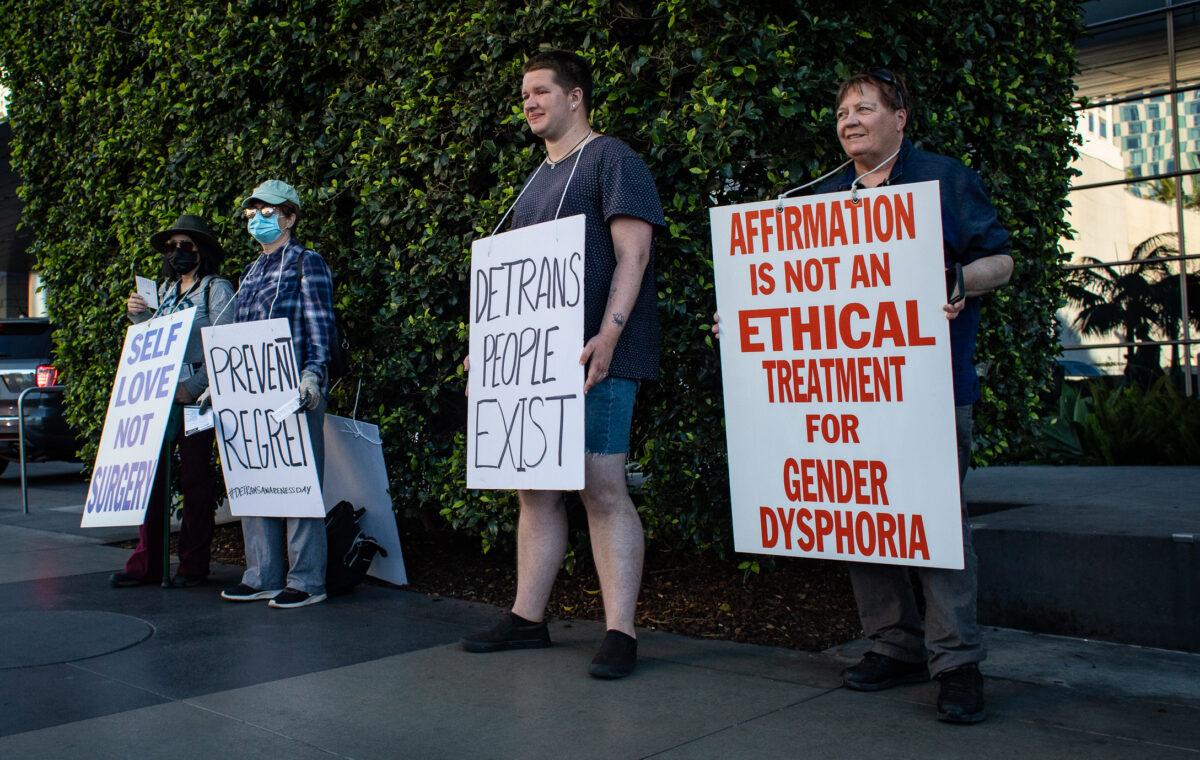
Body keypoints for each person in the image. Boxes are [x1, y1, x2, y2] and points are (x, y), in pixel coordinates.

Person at [713, 69, 1012, 723]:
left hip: (929, 386)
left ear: (900, 118)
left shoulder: (943, 178)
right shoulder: (818, 195)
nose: (849, 119)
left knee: (935, 520)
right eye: (842, 110)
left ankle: (957, 662)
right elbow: (787, 289)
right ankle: (894, 644)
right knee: (858, 508)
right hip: (847, 389)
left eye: (864, 108)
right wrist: (743, 316)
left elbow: (1003, 260)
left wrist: (959, 279)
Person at [460, 50, 665, 679]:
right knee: (535, 487)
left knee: (602, 486)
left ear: (576, 96)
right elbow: (517, 281)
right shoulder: (532, 183)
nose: (529, 102)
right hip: (535, 364)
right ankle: (528, 617)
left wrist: (610, 334)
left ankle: (621, 631)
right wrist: (491, 348)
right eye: (524, 93)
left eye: (542, 90)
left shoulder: (613, 158)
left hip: (597, 356)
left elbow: (634, 254)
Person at [218, 179, 336, 609]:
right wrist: (223, 385)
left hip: (294, 392)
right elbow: (235, 338)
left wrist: (313, 377)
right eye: (253, 213)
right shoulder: (249, 272)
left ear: (289, 216)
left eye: (268, 212)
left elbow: (320, 327)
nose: (258, 219)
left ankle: (306, 580)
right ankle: (262, 574)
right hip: (252, 395)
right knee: (255, 478)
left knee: (298, 484)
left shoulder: (308, 263)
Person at [110, 214, 234, 588]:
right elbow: (152, 344)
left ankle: (193, 565)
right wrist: (140, 318)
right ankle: (147, 563)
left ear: (202, 250)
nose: (177, 252)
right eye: (171, 247)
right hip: (158, 397)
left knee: (195, 479)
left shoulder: (216, 289)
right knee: (152, 479)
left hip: (195, 400)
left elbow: (224, 347)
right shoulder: (162, 291)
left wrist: (194, 386)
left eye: (186, 245)